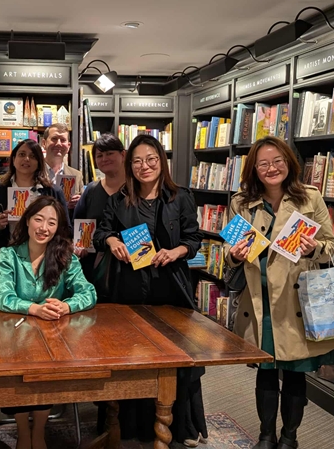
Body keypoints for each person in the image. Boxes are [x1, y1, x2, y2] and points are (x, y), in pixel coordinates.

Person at [93, 134, 206, 447]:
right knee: (131, 357)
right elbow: (100, 234)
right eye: (138, 161)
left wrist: (177, 252)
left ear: (161, 162)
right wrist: (113, 242)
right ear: (130, 164)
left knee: (173, 356)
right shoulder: (120, 198)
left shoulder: (180, 196)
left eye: (151, 160)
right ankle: (131, 426)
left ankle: (178, 425)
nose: (145, 166)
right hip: (129, 287)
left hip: (170, 287)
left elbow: (193, 238)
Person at [224, 136, 334, 449]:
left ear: (289, 163)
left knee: (295, 372)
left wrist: (314, 249)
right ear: (254, 169)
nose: (271, 168)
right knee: (266, 370)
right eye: (263, 163)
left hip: (295, 301)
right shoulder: (241, 203)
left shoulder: (310, 199)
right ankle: (265, 435)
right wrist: (234, 253)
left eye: (277, 161)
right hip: (259, 302)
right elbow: (226, 250)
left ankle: (289, 437)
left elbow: (331, 246)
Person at [0, 195, 96, 449]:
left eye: (51, 223)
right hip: (14, 334)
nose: (44, 228)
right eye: (38, 219)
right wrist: (34, 308)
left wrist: (67, 305)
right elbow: (1, 296)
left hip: (52, 336)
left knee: (44, 374)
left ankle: (38, 430)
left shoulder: (65, 257)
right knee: (15, 372)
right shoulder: (8, 255)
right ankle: (22, 430)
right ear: (27, 221)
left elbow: (89, 292)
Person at [0, 139, 67, 306]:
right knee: (4, 306)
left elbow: (65, 227)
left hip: (43, 259)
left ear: (39, 162)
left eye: (32, 156)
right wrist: (0, 224)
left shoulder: (52, 190)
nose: (26, 160)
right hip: (7, 256)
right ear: (13, 159)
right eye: (21, 154)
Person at [72, 133, 126, 302]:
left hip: (129, 266)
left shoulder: (138, 189)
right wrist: (78, 246)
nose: (104, 159)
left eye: (110, 153)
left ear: (123, 154)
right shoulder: (91, 190)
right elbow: (78, 224)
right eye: (99, 155)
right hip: (94, 268)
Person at [43, 123, 83, 209]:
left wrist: (79, 203)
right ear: (44, 143)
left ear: (68, 146)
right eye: (54, 139)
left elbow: (83, 210)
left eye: (63, 140)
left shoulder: (77, 175)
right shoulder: (33, 172)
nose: (58, 144)